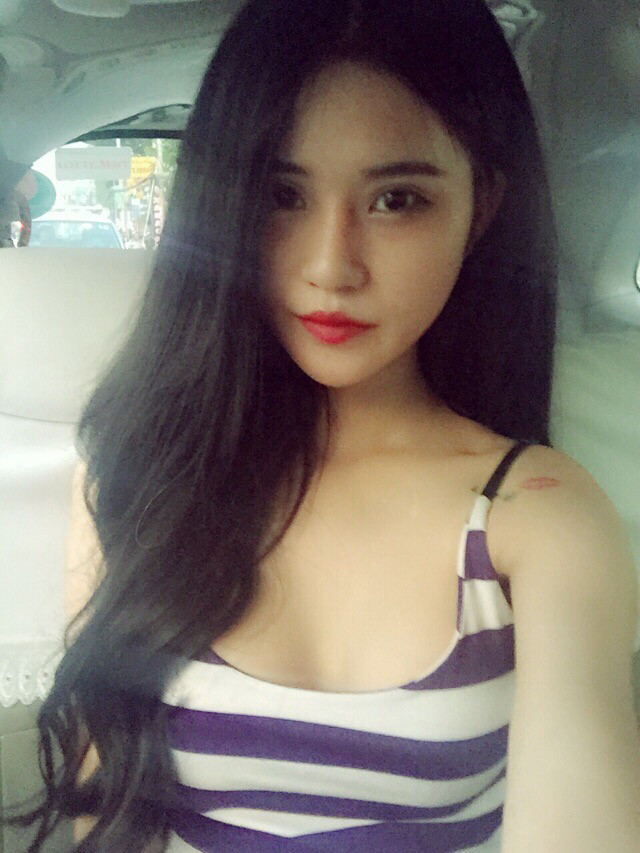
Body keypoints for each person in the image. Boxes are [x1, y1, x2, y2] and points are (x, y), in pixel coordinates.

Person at [3, 1, 639, 851]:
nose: (330, 264)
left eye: (397, 199)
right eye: (282, 194)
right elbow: (107, 819)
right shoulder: (132, 471)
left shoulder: (541, 514)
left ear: (482, 207)